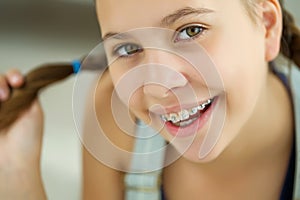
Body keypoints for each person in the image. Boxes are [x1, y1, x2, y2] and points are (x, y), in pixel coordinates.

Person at [0, 0, 300, 199]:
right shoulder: (113, 119)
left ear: (267, 26)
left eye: (191, 31)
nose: (158, 87)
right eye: (129, 48)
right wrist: (17, 171)